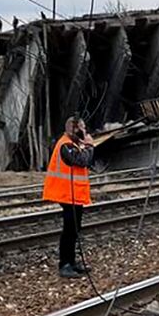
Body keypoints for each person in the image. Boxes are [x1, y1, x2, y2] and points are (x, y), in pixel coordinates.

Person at [42, 116, 96, 279]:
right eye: (83, 128)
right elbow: (82, 161)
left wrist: (84, 145)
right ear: (76, 129)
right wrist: (89, 146)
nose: (85, 131)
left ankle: (71, 262)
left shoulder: (72, 144)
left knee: (74, 229)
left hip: (74, 194)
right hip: (66, 193)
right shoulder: (65, 145)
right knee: (69, 230)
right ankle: (65, 264)